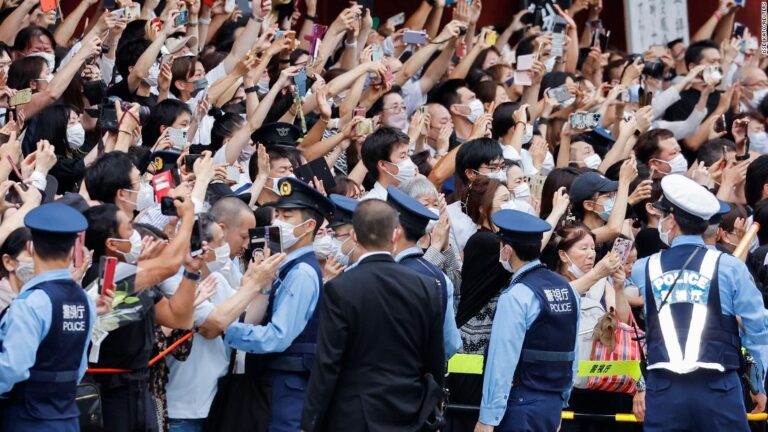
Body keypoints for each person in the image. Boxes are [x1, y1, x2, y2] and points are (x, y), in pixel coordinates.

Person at [631, 174, 768, 431]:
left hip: (663, 388)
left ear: (671, 220)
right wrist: (757, 385)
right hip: (719, 389)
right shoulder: (729, 267)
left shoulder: (643, 268)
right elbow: (757, 329)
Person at [301, 199, 445, 430]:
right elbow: (435, 356)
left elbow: (328, 362)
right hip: (410, 410)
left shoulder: (341, 288)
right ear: (396, 235)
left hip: (355, 414)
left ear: (355, 236)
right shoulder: (426, 286)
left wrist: (310, 421)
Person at [224, 177, 335, 431]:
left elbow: (278, 337)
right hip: (278, 384)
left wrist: (226, 330)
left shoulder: (302, 272)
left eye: (287, 216)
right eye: (277, 214)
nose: (277, 222)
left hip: (288, 387)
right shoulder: (287, 266)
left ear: (308, 226)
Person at [475, 209, 579, 432]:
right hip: (551, 404)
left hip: (521, 404)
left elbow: (501, 361)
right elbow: (573, 352)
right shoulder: (568, 290)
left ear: (507, 250)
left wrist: (487, 418)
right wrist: (561, 401)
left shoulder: (517, 295)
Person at [0, 203, 95, 431]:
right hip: (67, 417)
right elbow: (79, 367)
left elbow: (12, 368)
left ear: (31, 247)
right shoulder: (84, 300)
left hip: (26, 419)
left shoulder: (31, 303)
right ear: (73, 250)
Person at [388, 185, 461, 357]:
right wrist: (434, 248)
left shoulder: (441, 235)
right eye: (426, 203)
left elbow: (455, 284)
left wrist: (445, 244)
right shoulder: (390, 257)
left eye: (436, 203)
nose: (431, 208)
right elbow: (418, 278)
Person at [360, 127, 418, 201]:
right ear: (383, 165)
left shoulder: (416, 198)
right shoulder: (370, 205)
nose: (409, 161)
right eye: (402, 156)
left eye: (408, 154)